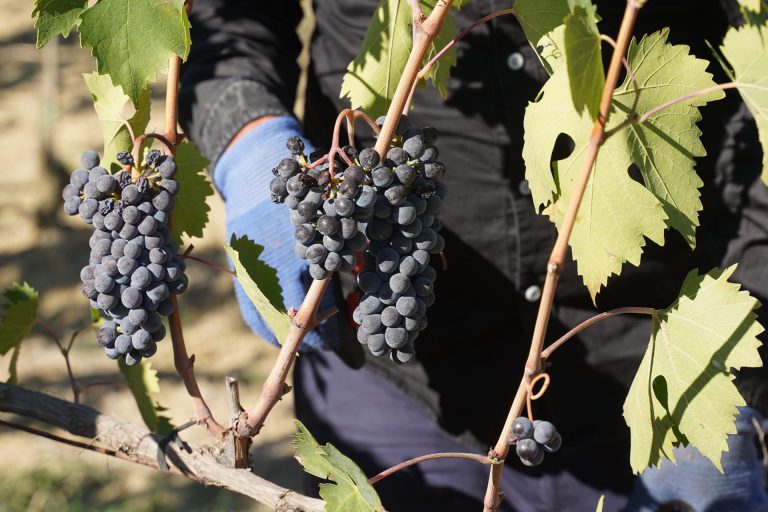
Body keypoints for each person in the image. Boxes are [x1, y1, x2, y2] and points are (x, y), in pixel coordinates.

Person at [179, 1, 768, 510]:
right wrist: (248, 141)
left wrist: (731, 383)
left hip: (654, 382)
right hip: (389, 381)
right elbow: (229, 18)